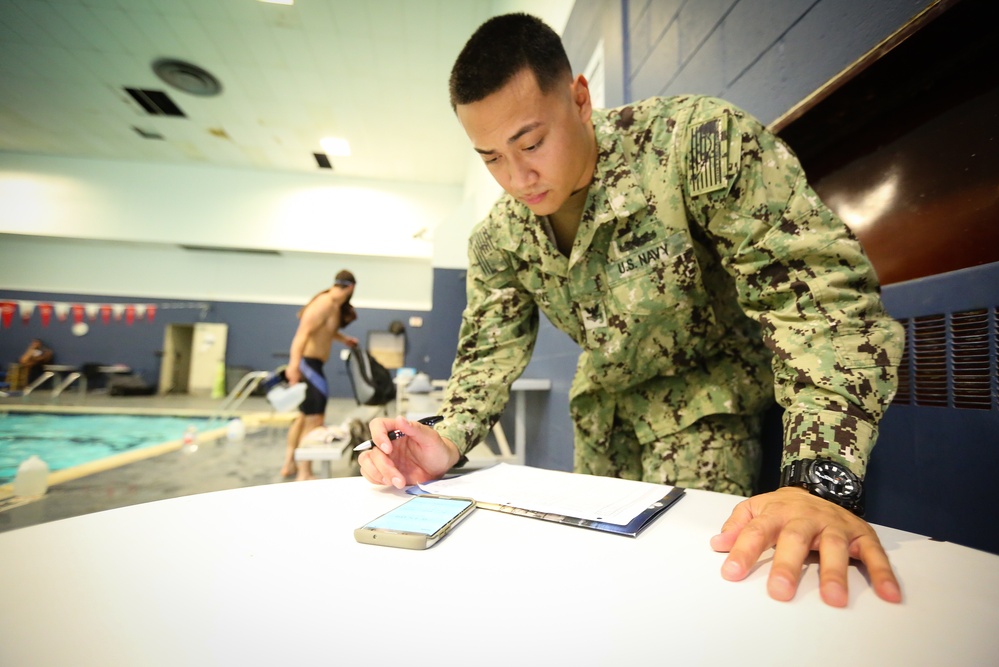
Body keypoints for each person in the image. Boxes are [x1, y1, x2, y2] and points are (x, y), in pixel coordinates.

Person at [359, 13, 904, 607]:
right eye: (490, 157)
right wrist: (443, 438)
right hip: (603, 421)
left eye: (531, 143)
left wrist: (818, 481)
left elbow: (818, 299)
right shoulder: (499, 238)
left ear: (580, 98)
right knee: (601, 590)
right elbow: (486, 356)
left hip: (705, 407)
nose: (517, 179)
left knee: (697, 586)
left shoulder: (695, 147)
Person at [281, 270, 359, 480]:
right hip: (308, 365)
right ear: (351, 288)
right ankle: (305, 472)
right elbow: (301, 335)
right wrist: (294, 366)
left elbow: (326, 332)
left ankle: (289, 463)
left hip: (312, 364)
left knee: (303, 418)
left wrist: (344, 339)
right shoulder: (323, 303)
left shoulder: (332, 306)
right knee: (315, 420)